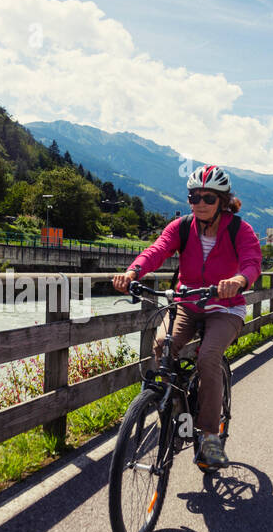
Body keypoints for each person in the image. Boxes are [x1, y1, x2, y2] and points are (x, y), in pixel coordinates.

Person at [112, 164, 262, 468]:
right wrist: (133, 271)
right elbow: (158, 249)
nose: (200, 204)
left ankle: (209, 438)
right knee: (162, 346)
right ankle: (178, 416)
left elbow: (252, 263)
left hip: (225, 307)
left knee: (207, 356)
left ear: (222, 200)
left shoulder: (239, 229)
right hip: (188, 303)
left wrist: (239, 281)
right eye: (194, 197)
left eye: (208, 198)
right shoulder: (181, 226)